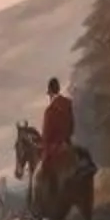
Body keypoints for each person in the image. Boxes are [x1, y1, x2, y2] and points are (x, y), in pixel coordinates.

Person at [35, 77, 77, 210]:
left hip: (54, 149)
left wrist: (44, 145)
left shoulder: (49, 111)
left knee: (41, 174)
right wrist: (66, 140)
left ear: (51, 93)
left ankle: (48, 204)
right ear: (58, 89)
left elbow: (46, 135)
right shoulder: (68, 104)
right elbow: (72, 126)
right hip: (67, 145)